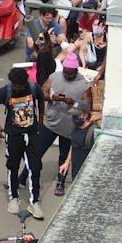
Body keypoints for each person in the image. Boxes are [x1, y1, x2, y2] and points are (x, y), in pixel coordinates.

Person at [0, 67, 46, 219]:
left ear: (25, 82)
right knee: (13, 166)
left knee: (35, 167)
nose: (17, 88)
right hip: (14, 135)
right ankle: (13, 197)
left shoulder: (34, 88)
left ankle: (34, 201)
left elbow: (41, 101)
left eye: (20, 85)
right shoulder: (6, 91)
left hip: (32, 134)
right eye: (15, 85)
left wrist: (40, 120)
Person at [40, 52, 92, 196]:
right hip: (50, 123)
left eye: (70, 74)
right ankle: (23, 176)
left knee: (64, 157)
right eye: (66, 73)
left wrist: (73, 102)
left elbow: (88, 107)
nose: (67, 76)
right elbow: (41, 93)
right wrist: (51, 97)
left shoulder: (84, 84)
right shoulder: (54, 77)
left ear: (76, 70)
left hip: (69, 128)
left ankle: (60, 182)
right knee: (37, 152)